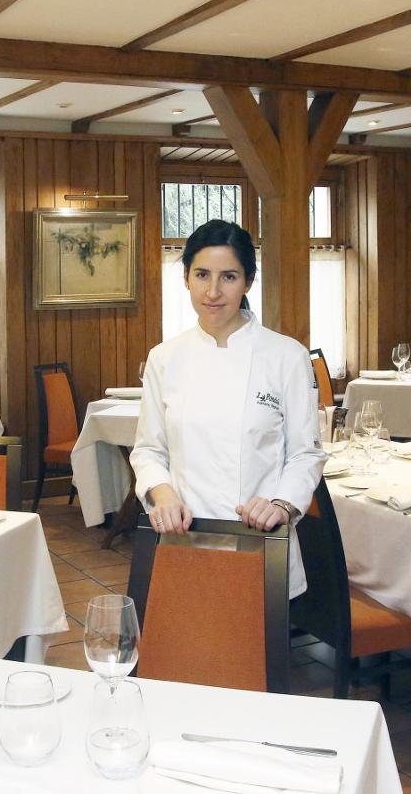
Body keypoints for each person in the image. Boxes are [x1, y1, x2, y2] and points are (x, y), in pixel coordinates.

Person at [129, 219, 326, 597]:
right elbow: (150, 450)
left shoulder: (285, 356)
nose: (213, 291)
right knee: (185, 650)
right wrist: (163, 493)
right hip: (184, 537)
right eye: (202, 274)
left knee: (256, 652)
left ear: (248, 282)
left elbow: (306, 453)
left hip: (259, 539)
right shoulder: (165, 358)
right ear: (186, 277)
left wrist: (282, 504)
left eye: (229, 277)